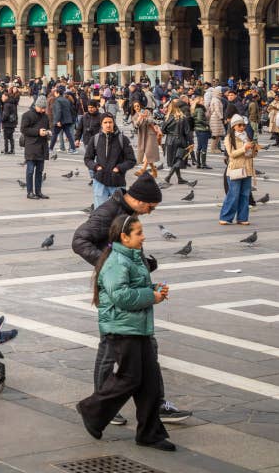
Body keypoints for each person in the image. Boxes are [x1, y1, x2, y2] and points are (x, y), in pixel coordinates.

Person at [72, 173, 190, 426]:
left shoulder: (127, 212)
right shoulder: (108, 211)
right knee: (109, 352)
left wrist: (143, 264)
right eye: (150, 207)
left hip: (129, 290)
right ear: (138, 200)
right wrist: (109, 264)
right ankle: (100, 406)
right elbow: (79, 240)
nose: (151, 212)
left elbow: (126, 250)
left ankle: (155, 404)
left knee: (148, 350)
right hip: (116, 295)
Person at [76, 214, 175, 452]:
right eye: (138, 233)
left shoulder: (133, 257)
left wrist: (152, 288)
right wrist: (152, 297)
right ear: (124, 236)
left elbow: (133, 288)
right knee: (129, 379)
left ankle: (149, 433)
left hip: (137, 327)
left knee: (149, 382)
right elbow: (121, 296)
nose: (143, 237)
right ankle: (92, 409)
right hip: (122, 329)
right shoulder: (116, 262)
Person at [85, 114, 136, 207]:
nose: (108, 125)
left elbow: (131, 160)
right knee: (100, 212)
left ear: (113, 123)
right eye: (105, 122)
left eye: (110, 122)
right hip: (100, 181)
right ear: (101, 124)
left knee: (118, 212)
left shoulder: (123, 139)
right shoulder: (95, 139)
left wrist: (118, 168)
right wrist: (96, 167)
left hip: (117, 181)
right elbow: (87, 159)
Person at [219, 115, 258, 226]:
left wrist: (254, 149)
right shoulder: (229, 138)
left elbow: (251, 155)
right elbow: (232, 154)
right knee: (233, 194)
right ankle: (225, 217)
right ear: (233, 126)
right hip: (236, 169)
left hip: (247, 168)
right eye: (239, 125)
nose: (242, 127)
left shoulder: (246, 136)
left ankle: (242, 218)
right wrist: (244, 148)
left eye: (243, 125)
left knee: (245, 194)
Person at [19, 96, 51, 199]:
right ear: (36, 105)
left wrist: (48, 132)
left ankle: (38, 191)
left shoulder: (45, 116)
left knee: (40, 171)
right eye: (41, 108)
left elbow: (48, 128)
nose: (43, 110)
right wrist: (38, 132)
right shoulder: (27, 115)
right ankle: (29, 192)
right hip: (31, 146)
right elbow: (24, 129)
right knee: (30, 170)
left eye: (44, 108)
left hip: (42, 146)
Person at [160, 101, 192, 185]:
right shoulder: (183, 118)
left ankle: (179, 178)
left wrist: (169, 132)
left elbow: (163, 130)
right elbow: (187, 132)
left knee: (175, 160)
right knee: (179, 159)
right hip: (180, 139)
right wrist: (191, 143)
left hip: (170, 140)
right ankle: (168, 177)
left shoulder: (167, 118)